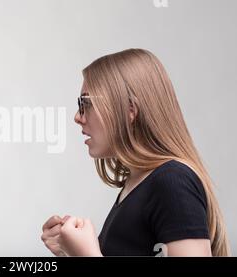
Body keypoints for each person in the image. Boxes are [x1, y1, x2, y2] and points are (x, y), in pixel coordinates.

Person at [41, 48, 230, 257]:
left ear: (129, 110)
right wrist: (70, 252)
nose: (78, 116)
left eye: (86, 103)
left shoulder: (172, 182)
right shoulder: (137, 186)